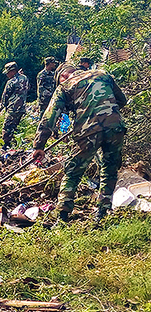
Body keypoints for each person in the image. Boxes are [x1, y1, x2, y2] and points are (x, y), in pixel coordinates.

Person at [32, 62, 127, 223]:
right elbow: (122, 100)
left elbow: (49, 118)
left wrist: (39, 146)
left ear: (63, 76)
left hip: (88, 131)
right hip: (115, 127)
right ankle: (102, 213)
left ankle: (62, 217)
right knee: (110, 168)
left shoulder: (65, 86)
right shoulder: (102, 74)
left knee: (72, 172)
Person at [0, 61, 29, 148]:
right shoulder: (25, 78)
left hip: (12, 108)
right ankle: (16, 143)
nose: (7, 75)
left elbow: (5, 96)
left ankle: (6, 145)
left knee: (7, 127)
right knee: (14, 126)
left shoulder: (11, 82)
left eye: (8, 72)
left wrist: (1, 106)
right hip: (21, 108)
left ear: (12, 71)